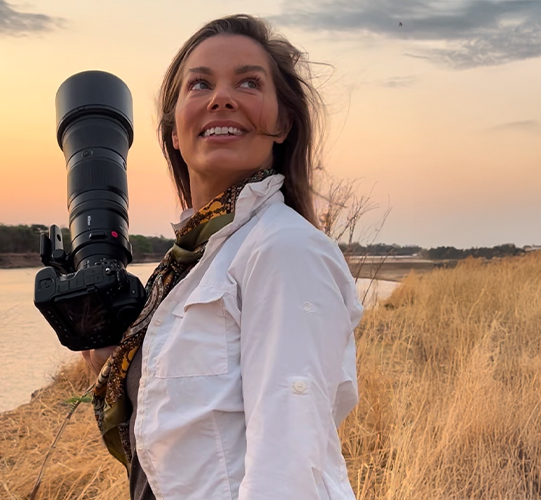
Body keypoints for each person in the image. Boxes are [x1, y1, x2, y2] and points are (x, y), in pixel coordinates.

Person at [82, 14, 364, 500]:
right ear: (174, 132)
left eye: (249, 82)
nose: (221, 98)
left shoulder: (282, 249)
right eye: (200, 84)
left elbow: (288, 465)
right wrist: (108, 354)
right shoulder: (193, 260)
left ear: (283, 122)